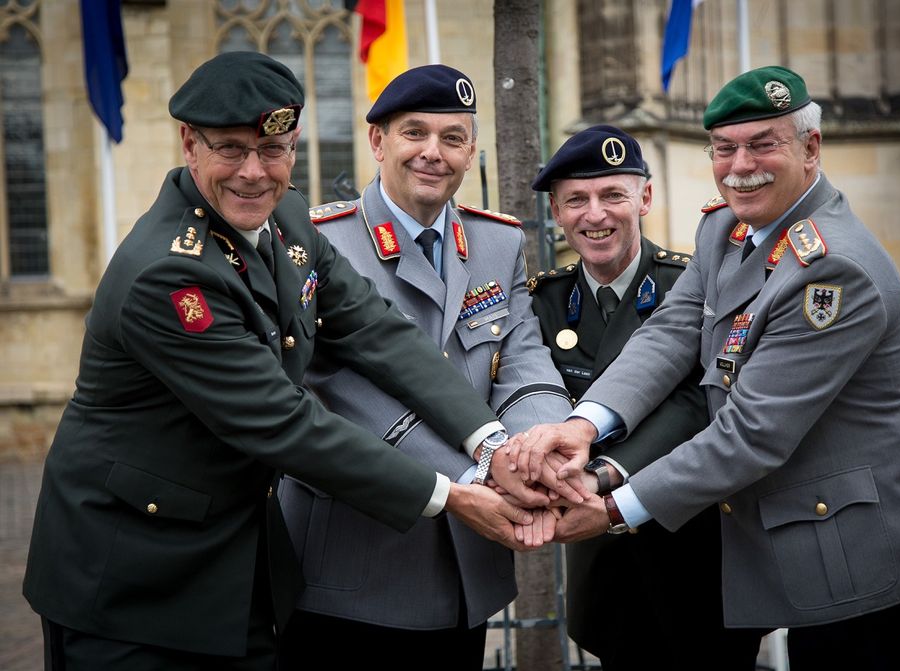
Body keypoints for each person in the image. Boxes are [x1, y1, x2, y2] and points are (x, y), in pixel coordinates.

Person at [21, 51, 536, 671]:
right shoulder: (170, 274)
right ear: (189, 142)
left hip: (235, 559)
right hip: (130, 579)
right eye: (231, 150)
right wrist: (454, 496)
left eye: (275, 150)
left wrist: (489, 444)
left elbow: (376, 330)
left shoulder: (287, 217)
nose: (256, 173)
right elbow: (284, 422)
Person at [514, 66, 900, 670]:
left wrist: (612, 505)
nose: (739, 164)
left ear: (811, 148)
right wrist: (584, 426)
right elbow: (671, 333)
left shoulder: (831, 270)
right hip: (809, 560)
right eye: (724, 148)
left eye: (762, 144)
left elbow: (751, 434)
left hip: (870, 569)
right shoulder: (727, 228)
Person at [276, 64, 574, 671]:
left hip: (465, 573)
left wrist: (542, 447)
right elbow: (333, 385)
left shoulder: (498, 243)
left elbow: (519, 358)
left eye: (453, 137)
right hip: (350, 568)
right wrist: (479, 473)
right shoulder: (316, 242)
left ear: (471, 154)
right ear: (378, 141)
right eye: (415, 133)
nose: (433, 153)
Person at [527, 124, 762, 669]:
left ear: (645, 199)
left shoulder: (693, 286)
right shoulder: (545, 300)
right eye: (576, 201)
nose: (596, 215)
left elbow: (698, 402)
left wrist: (605, 472)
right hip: (602, 562)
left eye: (613, 195)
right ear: (558, 214)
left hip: (696, 549)